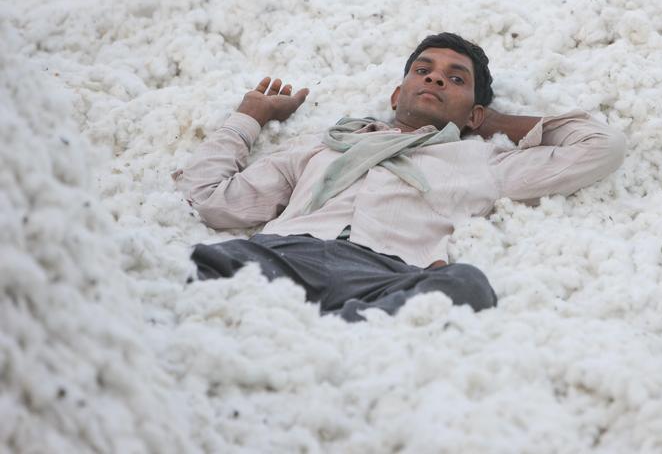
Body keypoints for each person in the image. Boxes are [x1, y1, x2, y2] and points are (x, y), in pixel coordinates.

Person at [174, 32, 625, 322]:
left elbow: (600, 147)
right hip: (282, 256)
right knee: (188, 269)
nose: (436, 80)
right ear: (397, 94)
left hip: (385, 278)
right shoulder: (327, 145)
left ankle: (340, 346)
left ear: (475, 109)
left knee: (465, 285)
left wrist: (487, 123)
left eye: (455, 78)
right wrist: (248, 117)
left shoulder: (482, 161)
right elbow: (210, 199)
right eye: (423, 71)